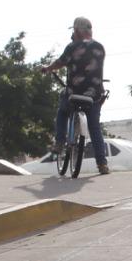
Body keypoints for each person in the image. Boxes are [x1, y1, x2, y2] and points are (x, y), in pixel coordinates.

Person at [41, 16, 109, 174]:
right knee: (94, 127)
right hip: (94, 95)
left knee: (62, 111)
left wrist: (48, 68)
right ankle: (102, 164)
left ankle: (59, 141)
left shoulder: (72, 47)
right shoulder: (100, 47)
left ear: (77, 31)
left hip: (74, 93)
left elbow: (60, 62)